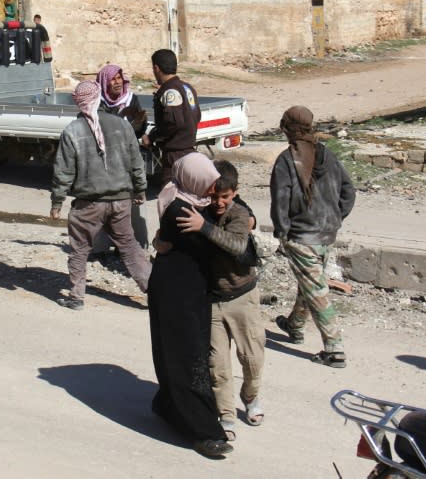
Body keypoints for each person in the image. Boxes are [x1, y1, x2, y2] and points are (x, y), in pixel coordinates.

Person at [147, 152, 233, 459]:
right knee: (186, 358)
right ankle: (204, 431)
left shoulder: (195, 202)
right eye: (208, 183)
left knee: (182, 353)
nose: (213, 191)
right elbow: (215, 248)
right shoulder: (182, 210)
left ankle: (168, 405)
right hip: (177, 293)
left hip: (188, 289)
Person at [176, 160, 265, 442]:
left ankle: (250, 398)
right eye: (214, 196)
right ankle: (226, 414)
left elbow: (237, 246)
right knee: (218, 366)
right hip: (212, 301)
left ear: (235, 193)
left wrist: (204, 228)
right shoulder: (200, 212)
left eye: (224, 197)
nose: (218, 203)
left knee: (252, 359)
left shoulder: (239, 214)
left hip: (243, 297)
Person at [49, 80, 151, 310]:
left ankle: (76, 296)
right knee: (129, 247)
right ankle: (154, 291)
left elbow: (63, 171)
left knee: (79, 249)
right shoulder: (121, 125)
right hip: (121, 201)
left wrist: (57, 202)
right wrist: (140, 189)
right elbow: (136, 161)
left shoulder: (72, 131)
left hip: (89, 205)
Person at [270, 106, 356, 368]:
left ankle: (334, 349)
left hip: (302, 236)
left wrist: (282, 232)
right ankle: (294, 326)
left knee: (316, 289)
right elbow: (348, 190)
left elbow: (280, 202)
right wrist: (336, 218)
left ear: (286, 129)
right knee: (309, 282)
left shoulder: (285, 161)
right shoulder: (328, 155)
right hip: (327, 233)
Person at [91, 64, 149, 252]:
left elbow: (138, 132)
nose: (117, 83)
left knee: (130, 206)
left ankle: (133, 247)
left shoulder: (131, 100)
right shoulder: (96, 103)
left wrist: (139, 124)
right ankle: (100, 248)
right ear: (104, 83)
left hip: (127, 161)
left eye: (119, 78)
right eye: (112, 80)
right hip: (105, 161)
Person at [141, 49, 202, 186]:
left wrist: (151, 137)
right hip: (190, 150)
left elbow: (172, 123)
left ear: (156, 68)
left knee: (170, 198)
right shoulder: (187, 87)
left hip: (175, 155)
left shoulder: (170, 91)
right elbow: (196, 115)